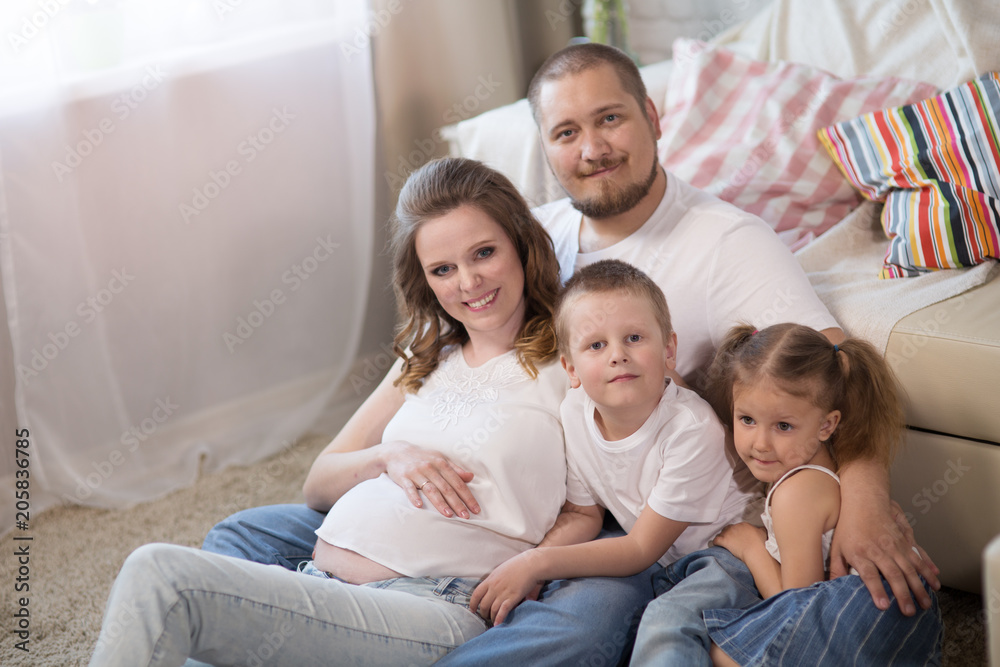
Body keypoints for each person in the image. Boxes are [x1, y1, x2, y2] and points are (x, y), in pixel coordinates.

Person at [202, 42, 939, 665]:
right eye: (565, 133)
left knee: (587, 625)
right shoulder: (531, 238)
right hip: (524, 493)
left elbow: (835, 370)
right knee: (242, 535)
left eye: (610, 119)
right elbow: (445, 362)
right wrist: (396, 459)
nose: (591, 149)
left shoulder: (727, 240)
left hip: (641, 517)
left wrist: (867, 496)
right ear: (545, 146)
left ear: (653, 118)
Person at [88, 157, 577, 665]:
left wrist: (536, 564)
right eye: (443, 269)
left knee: (163, 576)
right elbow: (319, 482)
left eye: (484, 253)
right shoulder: (428, 353)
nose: (469, 282)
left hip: (433, 602)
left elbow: (590, 507)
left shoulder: (571, 360)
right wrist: (390, 455)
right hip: (323, 583)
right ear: (425, 280)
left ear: (521, 243)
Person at [469, 259, 755, 628]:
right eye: (596, 345)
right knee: (561, 612)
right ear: (571, 370)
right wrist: (528, 567)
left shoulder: (691, 428)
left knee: (663, 626)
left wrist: (535, 563)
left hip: (729, 554)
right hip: (662, 558)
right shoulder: (574, 410)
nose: (617, 355)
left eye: (634, 338)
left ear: (669, 351)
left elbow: (638, 549)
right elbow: (583, 514)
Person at [699, 323, 942, 666]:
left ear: (827, 425)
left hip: (869, 607)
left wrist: (751, 547)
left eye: (783, 426)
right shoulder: (823, 466)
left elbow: (796, 600)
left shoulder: (795, 494)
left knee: (721, 649)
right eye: (747, 419)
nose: (761, 443)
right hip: (900, 609)